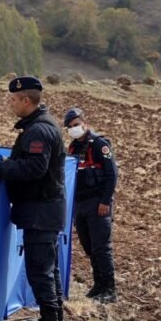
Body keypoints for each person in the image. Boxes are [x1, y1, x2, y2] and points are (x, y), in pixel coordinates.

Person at [0, 76, 66, 321]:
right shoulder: (38, 126)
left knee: (40, 270)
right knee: (47, 269)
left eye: (14, 99)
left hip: (41, 211)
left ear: (26, 100)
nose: (11, 103)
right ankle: (52, 319)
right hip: (43, 209)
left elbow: (34, 168)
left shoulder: (39, 131)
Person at [64, 107, 119, 304]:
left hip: (98, 203)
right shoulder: (72, 149)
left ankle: (109, 289)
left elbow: (112, 175)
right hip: (80, 203)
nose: (73, 129)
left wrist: (105, 201)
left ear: (84, 123)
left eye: (76, 124)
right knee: (89, 247)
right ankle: (98, 285)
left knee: (101, 247)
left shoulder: (99, 145)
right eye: (70, 127)